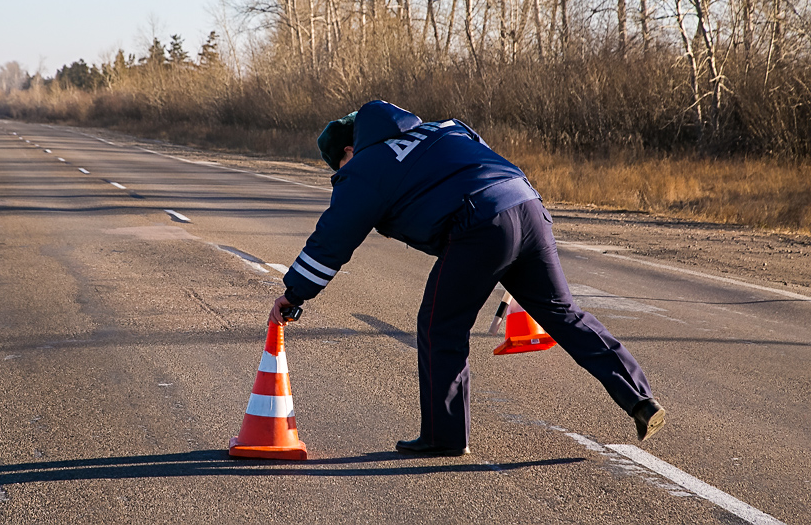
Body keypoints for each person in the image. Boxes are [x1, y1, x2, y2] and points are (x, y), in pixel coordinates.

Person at [269, 100, 665, 457]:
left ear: (349, 151)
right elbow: (480, 161)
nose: (340, 173)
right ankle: (639, 398)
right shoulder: (445, 127)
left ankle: (445, 435)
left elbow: (332, 240)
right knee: (564, 313)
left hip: (479, 224)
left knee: (439, 325)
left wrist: (294, 294)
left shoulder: (365, 168)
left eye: (337, 165)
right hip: (527, 203)